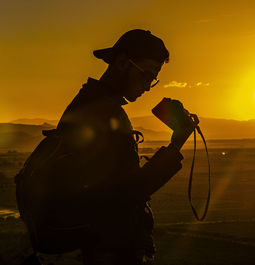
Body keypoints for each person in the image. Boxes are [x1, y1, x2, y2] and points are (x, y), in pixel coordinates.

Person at [54, 29, 193, 264]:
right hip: (108, 251)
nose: (148, 87)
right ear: (121, 63)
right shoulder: (103, 113)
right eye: (146, 75)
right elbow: (123, 194)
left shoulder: (91, 105)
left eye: (153, 79)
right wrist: (177, 143)